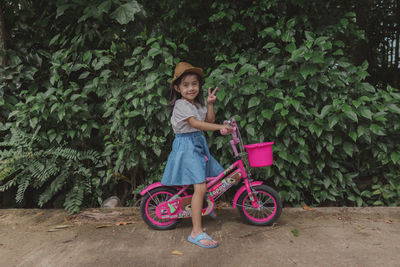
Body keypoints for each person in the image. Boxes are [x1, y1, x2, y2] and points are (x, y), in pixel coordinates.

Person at [161, 62, 232, 248]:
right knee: (200, 186)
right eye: (185, 84)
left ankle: (203, 207)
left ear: (199, 85)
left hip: (197, 144)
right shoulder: (181, 105)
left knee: (212, 178)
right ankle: (196, 232)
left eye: (194, 83)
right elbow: (197, 125)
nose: (191, 88)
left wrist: (209, 105)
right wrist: (220, 128)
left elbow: (208, 120)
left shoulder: (196, 104)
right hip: (187, 147)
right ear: (177, 88)